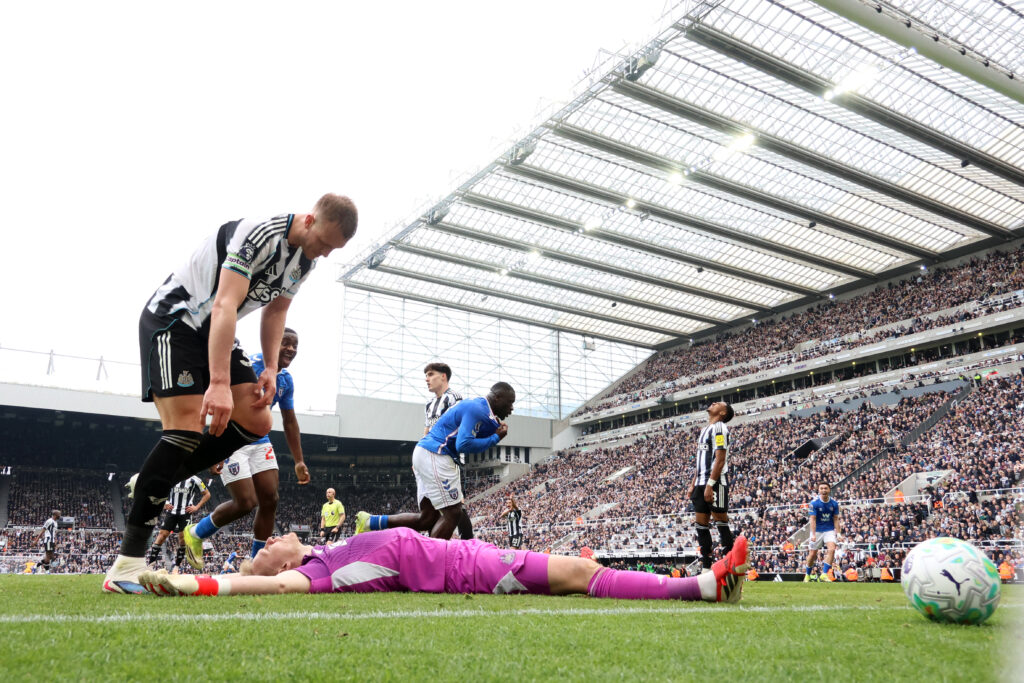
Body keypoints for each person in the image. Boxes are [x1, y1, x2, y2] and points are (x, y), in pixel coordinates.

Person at [103, 193, 358, 594]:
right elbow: (224, 304)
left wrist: (271, 368)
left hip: (213, 330)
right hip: (178, 320)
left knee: (258, 418)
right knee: (186, 429)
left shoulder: (303, 260)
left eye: (332, 250)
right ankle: (126, 566)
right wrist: (219, 384)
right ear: (310, 219)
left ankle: (155, 479)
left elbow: (276, 311)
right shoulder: (258, 235)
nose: (323, 254)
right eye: (324, 243)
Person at [138, 527, 750, 606]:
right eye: (266, 542)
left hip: (467, 557)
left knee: (577, 570)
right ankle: (702, 587)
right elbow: (264, 581)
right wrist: (197, 581)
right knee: (578, 576)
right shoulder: (314, 574)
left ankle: (701, 584)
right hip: (469, 571)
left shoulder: (334, 549)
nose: (272, 538)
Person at [182, 328, 309, 566]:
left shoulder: (284, 380)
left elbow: (290, 421)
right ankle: (196, 533)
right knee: (246, 503)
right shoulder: (250, 366)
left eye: (295, 345)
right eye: (285, 343)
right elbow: (223, 398)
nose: (291, 349)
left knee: (270, 500)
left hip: (260, 441)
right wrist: (218, 445)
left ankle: (257, 563)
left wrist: (299, 460)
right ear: (272, 343)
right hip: (233, 440)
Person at [355, 382, 515, 540]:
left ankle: (370, 522)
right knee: (453, 513)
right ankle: (429, 562)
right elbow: (463, 444)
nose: (512, 408)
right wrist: (495, 438)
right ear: (498, 397)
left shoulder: (478, 407)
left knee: (427, 518)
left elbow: (464, 433)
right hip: (437, 453)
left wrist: (492, 430)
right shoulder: (478, 410)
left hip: (424, 452)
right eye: (510, 403)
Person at [422, 362, 473, 540]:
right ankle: (438, 547)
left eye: (430, 374)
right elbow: (427, 430)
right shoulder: (429, 404)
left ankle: (469, 543)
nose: (427, 379)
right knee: (434, 506)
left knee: (456, 505)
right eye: (426, 375)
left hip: (448, 457)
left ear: (443, 376)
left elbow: (460, 426)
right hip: (430, 458)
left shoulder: (454, 397)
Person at [687, 401, 735, 571]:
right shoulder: (704, 430)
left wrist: (710, 484)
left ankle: (730, 564)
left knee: (721, 521)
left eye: (719, 404)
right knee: (701, 526)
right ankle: (706, 567)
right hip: (700, 483)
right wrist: (693, 484)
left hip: (714, 483)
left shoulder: (720, 427)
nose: (714, 402)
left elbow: (720, 458)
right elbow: (700, 461)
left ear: (722, 413)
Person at [145, 475, 210, 569]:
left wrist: (196, 507)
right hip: (171, 512)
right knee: (161, 535)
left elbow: (207, 494)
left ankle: (177, 566)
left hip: (186, 513)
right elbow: (157, 490)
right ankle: (150, 565)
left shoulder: (195, 479)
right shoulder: (171, 476)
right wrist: (164, 503)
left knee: (182, 539)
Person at [804, 483, 841, 583]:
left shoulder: (834, 503)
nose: (824, 490)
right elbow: (812, 519)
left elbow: (836, 519)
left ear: (829, 490)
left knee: (832, 549)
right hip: (817, 530)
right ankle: (807, 575)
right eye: (821, 488)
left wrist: (839, 533)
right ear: (819, 490)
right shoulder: (814, 503)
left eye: (825, 488)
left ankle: (824, 574)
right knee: (812, 554)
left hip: (829, 530)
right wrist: (813, 535)